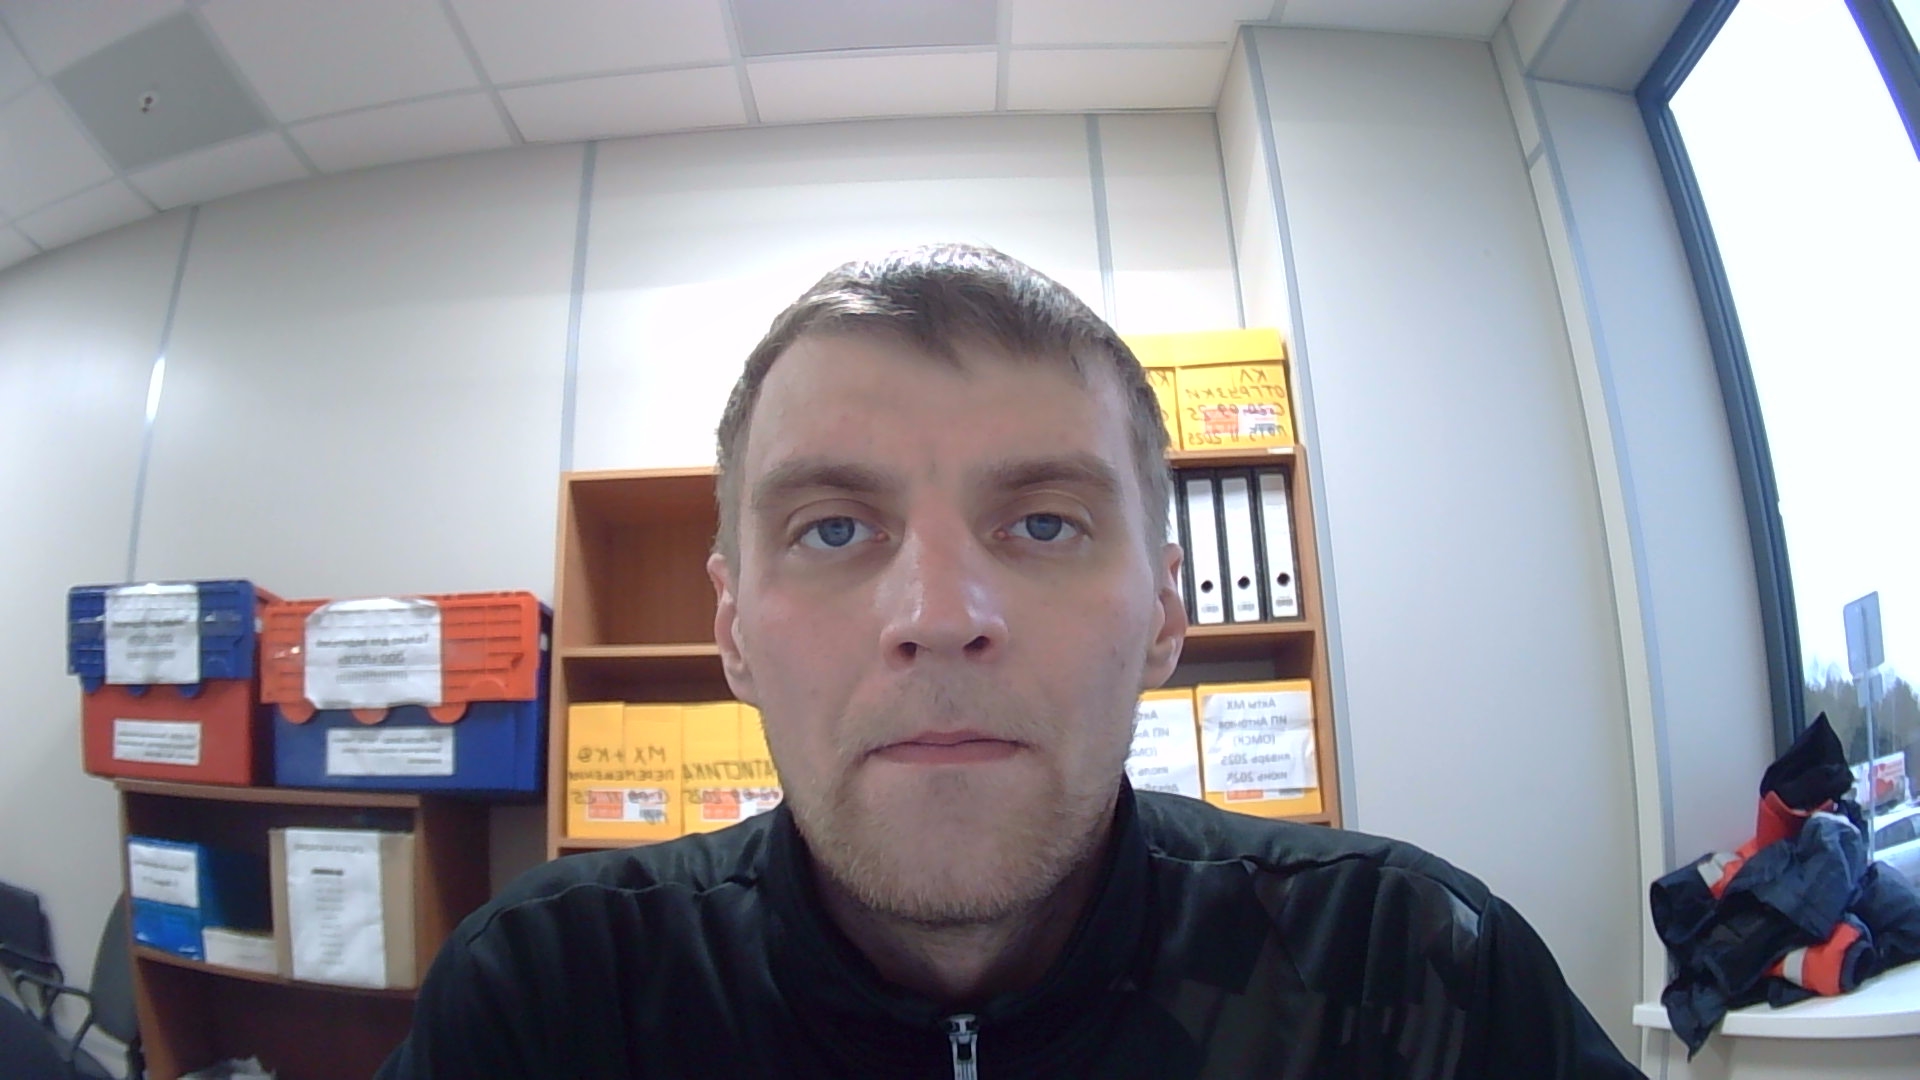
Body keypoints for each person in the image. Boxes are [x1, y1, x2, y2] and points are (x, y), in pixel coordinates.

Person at [377, 244, 1645, 1079]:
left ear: (1165, 612)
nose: (939, 615)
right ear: (733, 632)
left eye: (1043, 523)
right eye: (833, 530)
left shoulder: (1410, 968)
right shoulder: (550, 998)